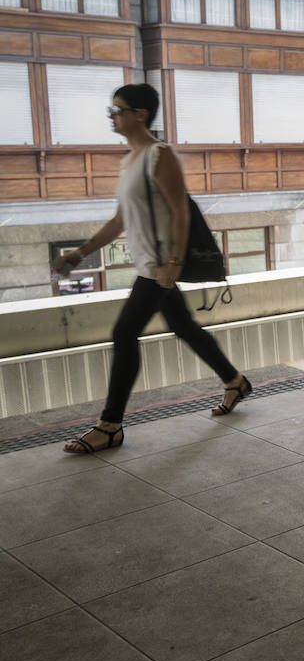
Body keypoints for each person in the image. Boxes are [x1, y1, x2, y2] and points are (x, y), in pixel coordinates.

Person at [52, 84, 250, 454]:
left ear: (140, 114)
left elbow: (178, 211)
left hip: (160, 267)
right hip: (150, 264)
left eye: (117, 110)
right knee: (183, 325)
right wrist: (80, 254)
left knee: (124, 333)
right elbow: (119, 220)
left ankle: (110, 426)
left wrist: (173, 261)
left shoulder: (159, 156)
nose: (111, 116)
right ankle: (235, 381)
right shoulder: (130, 161)